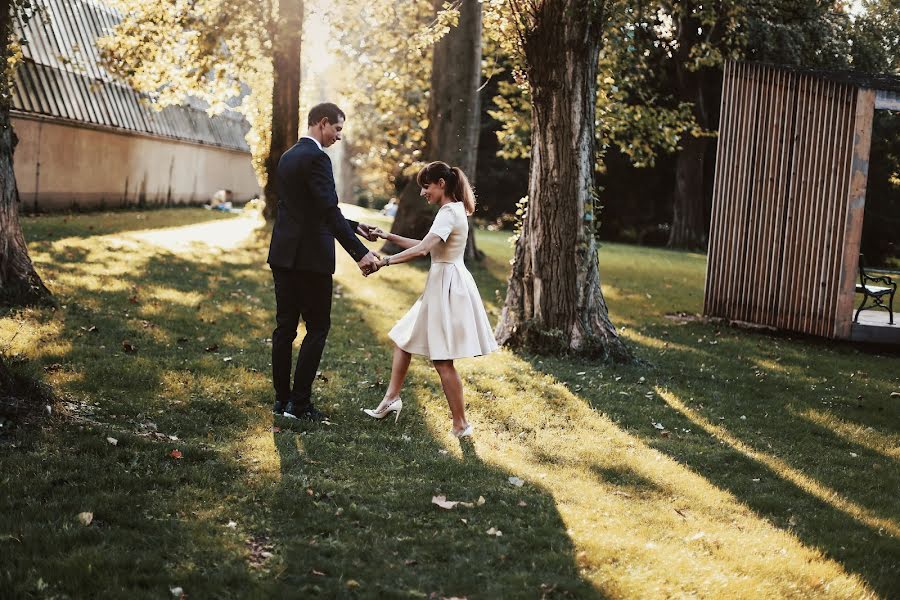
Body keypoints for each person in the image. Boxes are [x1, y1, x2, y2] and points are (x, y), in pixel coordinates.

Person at [362, 161, 498, 437]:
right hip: (444, 282)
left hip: (447, 287)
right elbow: (426, 245)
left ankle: (461, 424)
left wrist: (383, 262)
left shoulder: (448, 212)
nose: (423, 193)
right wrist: (387, 235)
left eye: (426, 187)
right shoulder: (452, 210)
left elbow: (423, 250)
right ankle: (391, 399)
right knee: (404, 339)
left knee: (442, 361)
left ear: (441, 184)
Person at [267, 102, 381, 422]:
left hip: (283, 256)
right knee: (317, 328)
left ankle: (281, 400)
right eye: (338, 129)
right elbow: (327, 211)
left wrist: (357, 226)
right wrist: (361, 253)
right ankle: (299, 405)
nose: (339, 136)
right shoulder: (318, 158)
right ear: (322, 123)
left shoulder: (288, 157)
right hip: (311, 261)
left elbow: (311, 207)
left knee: (284, 329)